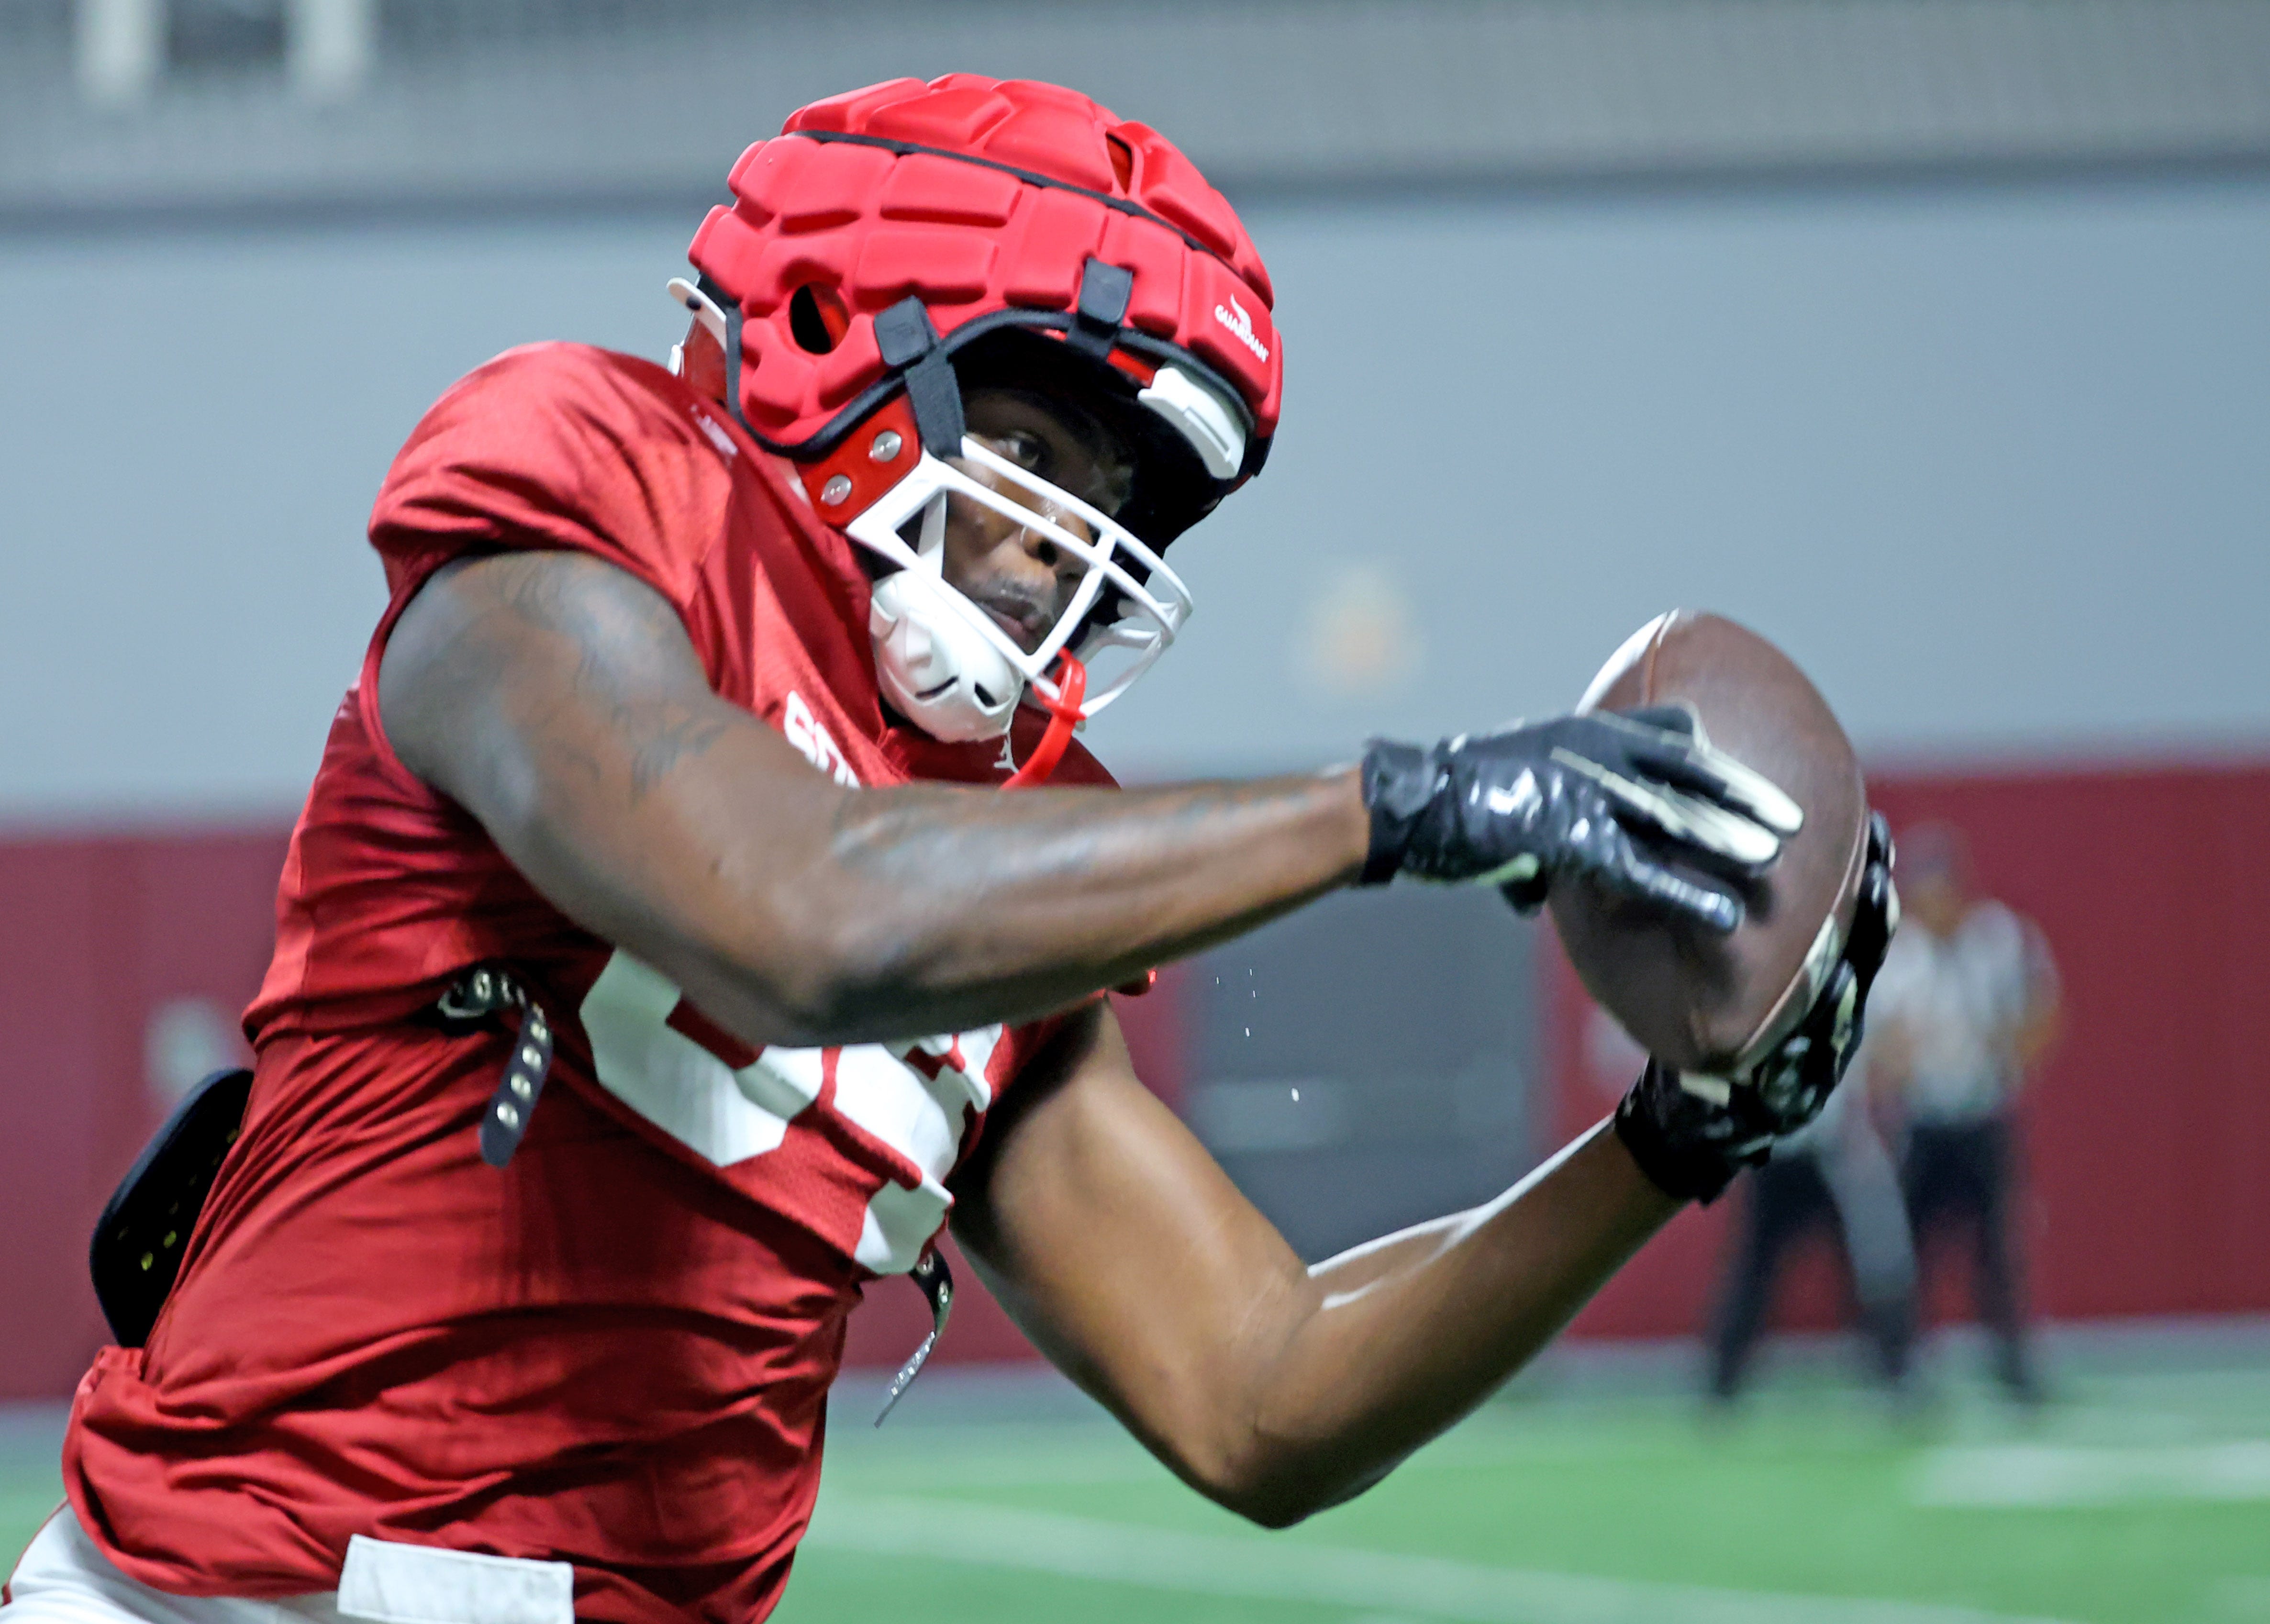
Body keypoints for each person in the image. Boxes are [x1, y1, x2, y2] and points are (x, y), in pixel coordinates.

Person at [7, 76, 1892, 1624]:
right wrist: (1385, 805)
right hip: (236, 1596)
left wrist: (1675, 1139)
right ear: (840, 327)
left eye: (1126, 502)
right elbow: (789, 911)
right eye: (1045, 448)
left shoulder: (1019, 841)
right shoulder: (580, 503)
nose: (1078, 545)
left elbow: (1261, 1389)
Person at [1867, 821, 2059, 1403]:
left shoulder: (1998, 940)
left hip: (1981, 1114)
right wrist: (1909, 1058)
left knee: (1996, 1253)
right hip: (1925, 1121)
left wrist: (2005, 1046)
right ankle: (1904, 1368)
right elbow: (1880, 1049)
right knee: (1911, 1254)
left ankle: (2013, 1364)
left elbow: (2042, 1012)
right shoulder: (1901, 959)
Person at [1704, 1059, 1918, 1406]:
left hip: (1833, 1148)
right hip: (1778, 1149)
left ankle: (1896, 1365)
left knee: (1874, 1261)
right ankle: (1724, 1377)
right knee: (1754, 1267)